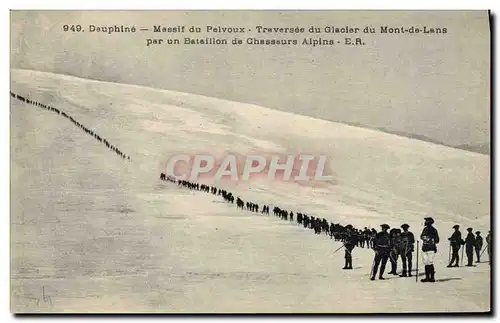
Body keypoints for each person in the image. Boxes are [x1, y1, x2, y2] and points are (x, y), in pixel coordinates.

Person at [420, 217, 439, 283]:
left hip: (431, 248)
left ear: (430, 222)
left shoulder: (434, 230)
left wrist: (431, 239)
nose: (425, 222)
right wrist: (424, 237)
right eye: (426, 221)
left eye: (427, 221)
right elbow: (421, 236)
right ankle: (427, 277)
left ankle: (432, 278)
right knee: (426, 263)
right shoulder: (425, 229)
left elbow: (437, 240)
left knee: (430, 262)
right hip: (425, 248)